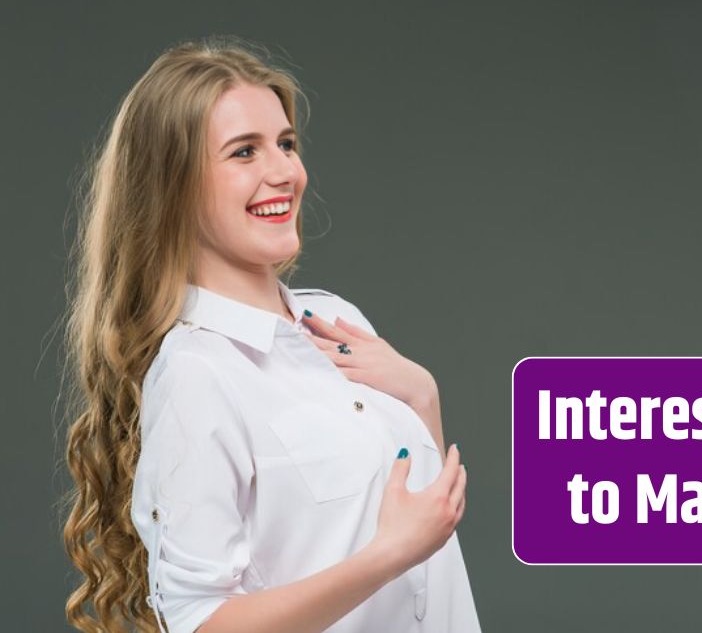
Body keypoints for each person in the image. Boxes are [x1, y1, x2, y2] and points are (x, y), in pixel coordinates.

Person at [62, 39, 480, 633]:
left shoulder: (340, 321)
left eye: (285, 144)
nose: (285, 171)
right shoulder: (196, 373)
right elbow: (199, 620)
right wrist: (385, 556)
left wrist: (422, 396)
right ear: (173, 187)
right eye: (244, 153)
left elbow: (422, 541)